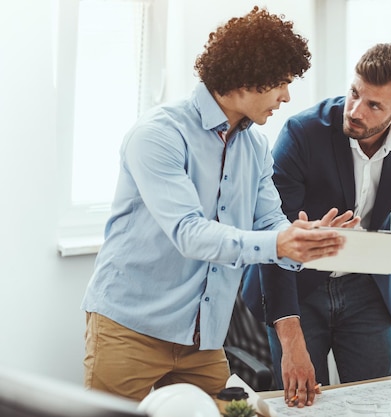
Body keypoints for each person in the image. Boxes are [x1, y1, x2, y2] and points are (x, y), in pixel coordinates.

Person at [80, 7, 354, 402]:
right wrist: (278, 243)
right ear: (248, 76)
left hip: (203, 340)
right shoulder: (159, 135)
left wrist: (305, 240)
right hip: (130, 330)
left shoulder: (256, 147)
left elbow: (269, 223)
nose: (287, 96)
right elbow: (190, 234)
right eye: (282, 82)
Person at [243, 43, 391, 408]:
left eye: (374, 105)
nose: (355, 110)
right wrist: (290, 339)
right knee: (302, 403)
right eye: (354, 93)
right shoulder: (303, 133)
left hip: (366, 290)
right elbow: (272, 232)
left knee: (376, 402)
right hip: (298, 284)